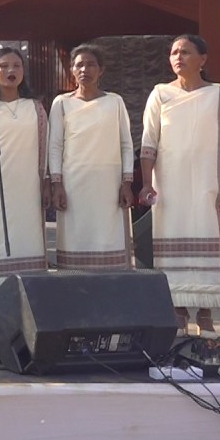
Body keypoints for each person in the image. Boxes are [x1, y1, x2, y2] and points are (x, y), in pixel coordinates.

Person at [139, 34, 220, 339]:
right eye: (174, 53)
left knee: (209, 235)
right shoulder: (160, 93)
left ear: (203, 59)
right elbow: (149, 140)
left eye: (185, 52)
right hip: (170, 182)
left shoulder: (219, 94)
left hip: (209, 182)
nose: (178, 57)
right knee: (172, 239)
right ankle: (178, 310)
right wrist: (146, 183)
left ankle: (206, 312)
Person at [48, 44, 135, 271]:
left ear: (101, 70)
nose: (84, 70)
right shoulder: (62, 103)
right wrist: (57, 184)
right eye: (79, 65)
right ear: (72, 70)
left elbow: (126, 144)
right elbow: (55, 146)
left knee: (109, 237)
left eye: (91, 65)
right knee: (75, 238)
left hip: (108, 184)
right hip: (73, 183)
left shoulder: (115, 101)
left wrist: (126, 183)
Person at [0, 47, 50, 287]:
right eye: (3, 66)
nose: (10, 71)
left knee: (29, 240)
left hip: (28, 189)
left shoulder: (35, 107)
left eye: (16, 65)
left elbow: (44, 149)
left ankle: (30, 299)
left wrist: (46, 183)